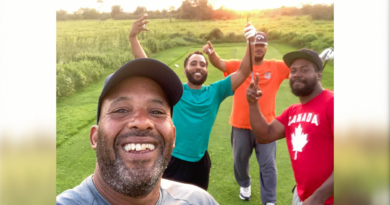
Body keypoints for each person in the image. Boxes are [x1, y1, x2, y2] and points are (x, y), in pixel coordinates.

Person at [56, 58, 219, 205]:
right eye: (121, 110)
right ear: (95, 138)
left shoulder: (200, 201)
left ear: (174, 136)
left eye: (156, 111)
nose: (142, 122)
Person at [129, 14, 255, 191]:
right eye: (193, 63)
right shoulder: (174, 90)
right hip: (173, 160)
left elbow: (243, 71)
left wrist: (251, 42)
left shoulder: (215, 92)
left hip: (200, 162)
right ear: (186, 68)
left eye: (202, 64)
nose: (198, 67)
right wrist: (132, 37)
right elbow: (147, 66)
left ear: (206, 70)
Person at [203, 30, 290, 204]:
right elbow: (219, 63)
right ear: (250, 46)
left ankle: (270, 200)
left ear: (266, 47)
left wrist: (316, 59)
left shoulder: (276, 66)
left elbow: (297, 67)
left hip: (267, 126)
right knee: (240, 161)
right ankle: (245, 184)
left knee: (268, 165)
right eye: (255, 45)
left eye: (261, 46)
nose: (258, 49)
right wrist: (211, 53)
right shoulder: (238, 66)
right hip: (240, 124)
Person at [246, 49, 334, 205]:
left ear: (319, 74)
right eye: (293, 71)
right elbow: (264, 136)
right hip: (302, 196)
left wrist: (318, 198)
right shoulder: (292, 112)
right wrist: (253, 103)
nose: (297, 74)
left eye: (304, 70)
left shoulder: (332, 103)